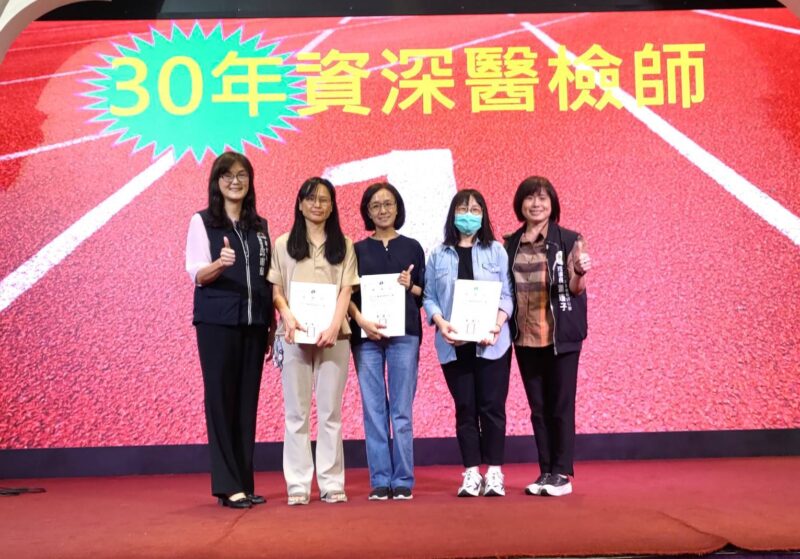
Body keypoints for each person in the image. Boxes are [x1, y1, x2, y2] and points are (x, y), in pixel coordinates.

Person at [185, 151, 274, 509]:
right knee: (221, 401)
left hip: (255, 323)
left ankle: (244, 482)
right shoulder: (203, 221)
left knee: (246, 403)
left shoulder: (260, 226)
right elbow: (196, 273)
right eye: (227, 175)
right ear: (216, 181)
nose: (235, 181)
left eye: (242, 175)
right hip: (217, 322)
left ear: (250, 181)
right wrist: (219, 265)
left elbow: (267, 277)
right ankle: (227, 484)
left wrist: (271, 324)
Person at [268, 177, 359, 506]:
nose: (317, 204)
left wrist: (334, 326)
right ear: (300, 204)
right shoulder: (283, 244)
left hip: (336, 337)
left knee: (331, 412)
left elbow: (346, 290)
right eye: (311, 199)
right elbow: (277, 290)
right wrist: (287, 316)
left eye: (324, 199)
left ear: (332, 206)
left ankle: (332, 482)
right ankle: (298, 484)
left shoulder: (344, 244)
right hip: (294, 336)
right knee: (296, 413)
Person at [504, 176, 592, 497]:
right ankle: (545, 471)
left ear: (552, 204)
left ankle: (561, 473)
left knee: (561, 406)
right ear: (520, 204)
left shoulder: (569, 239)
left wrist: (579, 270)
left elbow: (576, 288)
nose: (536, 204)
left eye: (542, 198)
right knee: (538, 408)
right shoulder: (510, 243)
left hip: (560, 337)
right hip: (525, 337)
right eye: (530, 198)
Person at [422, 189, 513, 497]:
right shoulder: (438, 254)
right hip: (453, 343)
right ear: (453, 214)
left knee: (492, 407)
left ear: (483, 215)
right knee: (465, 408)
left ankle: (495, 472)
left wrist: (496, 325)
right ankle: (472, 472)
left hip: (492, 344)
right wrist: (441, 323)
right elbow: (429, 297)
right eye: (463, 209)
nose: (469, 215)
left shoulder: (496, 251)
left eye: (475, 210)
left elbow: (506, 296)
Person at [348, 182, 426, 501]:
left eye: (388, 204)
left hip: (404, 335)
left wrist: (410, 285)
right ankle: (380, 479)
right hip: (366, 337)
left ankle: (403, 479)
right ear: (367, 212)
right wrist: (360, 321)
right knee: (374, 409)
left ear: (398, 208)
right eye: (375, 205)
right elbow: (346, 295)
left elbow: (423, 294)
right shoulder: (355, 250)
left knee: (402, 411)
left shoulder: (413, 247)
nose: (382, 210)